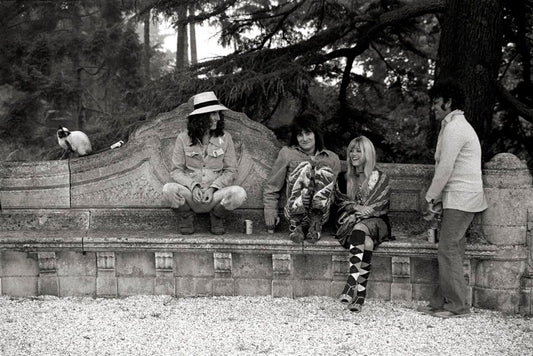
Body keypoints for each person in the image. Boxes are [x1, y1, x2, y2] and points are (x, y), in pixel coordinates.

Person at [417, 80, 487, 318]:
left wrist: (430, 197)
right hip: (458, 197)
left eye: (436, 103)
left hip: (462, 198)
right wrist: (438, 200)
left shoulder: (456, 128)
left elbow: (445, 168)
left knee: (447, 249)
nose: (433, 108)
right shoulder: (453, 125)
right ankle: (440, 302)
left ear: (448, 103)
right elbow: (448, 168)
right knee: (451, 250)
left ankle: (457, 306)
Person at [162, 91, 247, 235]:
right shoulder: (183, 138)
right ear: (201, 117)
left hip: (214, 196)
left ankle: (217, 216)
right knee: (168, 190)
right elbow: (176, 171)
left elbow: (231, 170)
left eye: (218, 114)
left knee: (239, 194)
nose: (218, 118)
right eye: (213, 114)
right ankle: (185, 216)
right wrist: (193, 186)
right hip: (190, 195)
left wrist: (213, 188)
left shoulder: (226, 138)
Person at [263, 113, 341, 243]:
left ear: (316, 134)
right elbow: (272, 186)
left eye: (308, 133)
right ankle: (295, 227)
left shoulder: (332, 158)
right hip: (294, 209)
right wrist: (270, 211)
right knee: (304, 166)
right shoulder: (287, 153)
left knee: (323, 167)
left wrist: (315, 197)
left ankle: (315, 227)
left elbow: (334, 193)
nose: (304, 138)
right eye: (300, 134)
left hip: (320, 213)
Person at [335, 136, 392, 312]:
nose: (353, 154)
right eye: (351, 150)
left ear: (368, 153)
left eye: (358, 150)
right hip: (350, 222)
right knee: (365, 242)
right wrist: (355, 207)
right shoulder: (344, 178)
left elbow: (382, 203)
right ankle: (360, 295)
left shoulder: (380, 178)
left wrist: (368, 210)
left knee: (360, 229)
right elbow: (339, 201)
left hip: (377, 222)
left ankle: (351, 283)